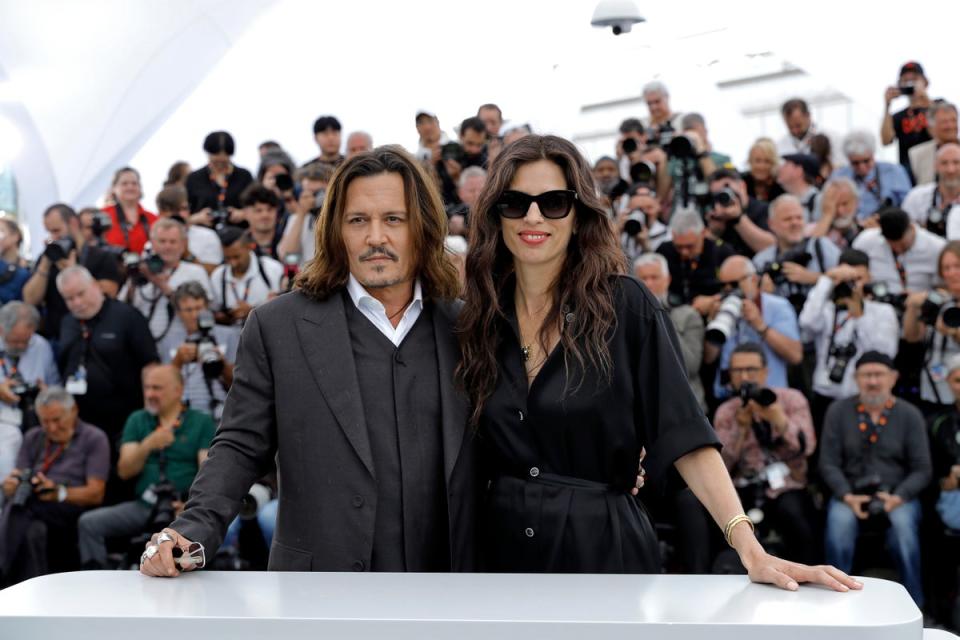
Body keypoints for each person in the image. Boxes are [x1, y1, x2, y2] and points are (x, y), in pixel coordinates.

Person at [456, 134, 856, 590]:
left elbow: (683, 431)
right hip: (500, 555)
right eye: (515, 202)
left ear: (578, 213)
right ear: (495, 213)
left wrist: (749, 547)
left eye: (553, 203)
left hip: (602, 553)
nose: (533, 216)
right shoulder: (479, 318)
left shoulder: (626, 307)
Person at [140, 146, 475, 578]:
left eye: (394, 219)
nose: (376, 237)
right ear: (335, 230)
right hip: (319, 588)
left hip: (447, 589)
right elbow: (241, 444)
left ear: (424, 228)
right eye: (358, 220)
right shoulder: (278, 326)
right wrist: (194, 527)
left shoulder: (467, 328)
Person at [820, 351, 932, 607]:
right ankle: (834, 604)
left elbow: (922, 468)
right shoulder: (838, 412)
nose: (873, 381)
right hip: (850, 493)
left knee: (904, 531)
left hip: (896, 494)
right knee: (839, 526)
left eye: (879, 375)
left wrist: (899, 496)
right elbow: (828, 463)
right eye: (866, 375)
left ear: (893, 378)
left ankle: (916, 605)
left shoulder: (909, 414)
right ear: (856, 378)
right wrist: (845, 494)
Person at [77, 365, 215, 569]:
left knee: (210, 530)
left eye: (157, 388)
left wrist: (189, 507)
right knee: (89, 523)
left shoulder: (201, 421)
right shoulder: (138, 419)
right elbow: (125, 470)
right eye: (147, 388)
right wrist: (149, 443)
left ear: (178, 390)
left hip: (182, 508)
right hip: (145, 506)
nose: (150, 394)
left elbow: (207, 474)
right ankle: (97, 581)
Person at [712, 343, 818, 564]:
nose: (744, 376)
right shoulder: (726, 411)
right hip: (742, 486)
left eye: (751, 369)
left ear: (765, 371)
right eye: (737, 371)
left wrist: (778, 419)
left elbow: (807, 447)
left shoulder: (791, 399)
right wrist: (740, 430)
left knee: (797, 517)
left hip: (787, 484)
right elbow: (720, 465)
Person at [0, 386, 109, 585]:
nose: (51, 428)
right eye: (45, 421)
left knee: (18, 509)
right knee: (31, 527)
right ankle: (32, 587)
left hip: (68, 508)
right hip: (33, 508)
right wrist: (10, 486)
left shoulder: (94, 438)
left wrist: (59, 493)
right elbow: (19, 476)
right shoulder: (34, 436)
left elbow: (96, 494)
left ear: (74, 411)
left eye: (57, 420)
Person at [798, 249, 899, 431]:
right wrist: (826, 281)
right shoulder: (827, 309)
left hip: (865, 396)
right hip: (826, 395)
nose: (854, 285)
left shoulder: (883, 311)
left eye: (859, 279)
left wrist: (858, 313)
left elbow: (885, 352)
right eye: (849, 280)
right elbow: (807, 324)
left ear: (869, 277)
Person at [57, 266, 158, 445]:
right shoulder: (67, 322)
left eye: (81, 294)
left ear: (95, 285)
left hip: (123, 420)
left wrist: (148, 414)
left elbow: (150, 365)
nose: (77, 303)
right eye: (69, 299)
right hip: (79, 422)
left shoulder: (127, 316)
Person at [22, 204, 123, 343]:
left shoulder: (101, 256)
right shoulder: (48, 258)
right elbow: (30, 299)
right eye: (50, 232)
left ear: (73, 223)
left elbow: (109, 292)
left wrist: (73, 272)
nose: (53, 237)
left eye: (57, 230)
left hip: (96, 336)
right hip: (57, 337)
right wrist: (45, 264)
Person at [705, 255, 803, 398]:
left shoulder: (778, 306)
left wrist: (760, 325)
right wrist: (713, 323)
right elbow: (709, 358)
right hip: (730, 397)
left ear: (754, 280)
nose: (728, 290)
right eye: (723, 286)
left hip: (769, 396)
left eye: (734, 285)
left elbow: (795, 356)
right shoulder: (722, 308)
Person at [121, 218, 213, 341]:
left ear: (183, 244)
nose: (167, 247)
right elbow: (123, 305)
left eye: (172, 242)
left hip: (182, 342)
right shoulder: (142, 270)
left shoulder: (195, 272)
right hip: (144, 342)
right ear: (152, 243)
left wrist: (161, 285)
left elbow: (205, 310)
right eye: (162, 241)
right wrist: (134, 279)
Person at [633, 253, 705, 410]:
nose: (649, 284)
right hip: (646, 407)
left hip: (685, 408)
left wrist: (659, 314)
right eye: (643, 279)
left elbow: (691, 366)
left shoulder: (688, 314)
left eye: (654, 277)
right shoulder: (628, 317)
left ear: (668, 280)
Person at [157, 282, 237, 420]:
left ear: (207, 307)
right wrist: (178, 361)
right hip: (183, 416)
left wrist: (221, 363)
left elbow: (240, 384)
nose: (195, 315)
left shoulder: (229, 335)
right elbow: (162, 386)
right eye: (188, 310)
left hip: (222, 414)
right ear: (178, 312)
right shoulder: (168, 341)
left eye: (199, 308)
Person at [753, 194, 841, 313]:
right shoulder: (762, 261)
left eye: (799, 218)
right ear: (771, 224)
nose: (795, 223)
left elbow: (849, 279)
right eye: (787, 219)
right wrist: (764, 296)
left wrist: (813, 278)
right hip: (782, 326)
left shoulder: (821, 246)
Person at [903, 242, 960, 413]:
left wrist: (952, 331)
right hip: (933, 389)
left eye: (957, 266)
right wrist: (913, 308)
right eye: (946, 268)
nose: (951, 273)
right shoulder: (936, 299)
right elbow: (912, 337)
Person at [656, 207, 734, 314]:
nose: (684, 252)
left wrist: (716, 299)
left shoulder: (721, 252)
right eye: (679, 246)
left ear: (703, 233)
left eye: (690, 246)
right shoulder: (665, 251)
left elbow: (739, 288)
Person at [852, 207, 946, 294]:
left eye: (902, 245)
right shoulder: (866, 240)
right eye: (892, 245)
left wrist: (924, 297)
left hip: (919, 304)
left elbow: (945, 288)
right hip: (876, 302)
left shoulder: (937, 247)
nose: (898, 249)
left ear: (911, 228)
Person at [210, 226, 283, 332]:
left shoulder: (272, 269)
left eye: (236, 257)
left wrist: (252, 311)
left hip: (268, 333)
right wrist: (226, 316)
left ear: (250, 247)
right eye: (227, 258)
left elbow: (284, 310)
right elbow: (215, 312)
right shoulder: (218, 275)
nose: (233, 263)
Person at [833, 131, 912, 220]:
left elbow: (908, 205)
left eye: (866, 161)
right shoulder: (839, 176)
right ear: (848, 160)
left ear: (873, 155)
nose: (862, 167)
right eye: (855, 163)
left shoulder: (893, 171)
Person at [703, 168, 775, 258]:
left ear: (742, 186)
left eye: (727, 191)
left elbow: (771, 248)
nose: (724, 198)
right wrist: (715, 232)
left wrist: (738, 219)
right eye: (718, 195)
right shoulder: (716, 215)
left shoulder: (764, 209)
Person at [881, 61, 932, 179]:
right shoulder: (898, 116)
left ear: (925, 82)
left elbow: (943, 123)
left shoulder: (938, 105)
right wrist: (887, 105)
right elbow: (886, 141)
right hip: (908, 171)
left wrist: (924, 98)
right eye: (905, 80)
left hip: (934, 165)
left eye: (914, 79)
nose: (910, 83)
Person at [155, 185, 223, 273]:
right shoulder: (154, 239)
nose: (180, 215)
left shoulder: (207, 236)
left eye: (184, 208)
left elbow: (215, 275)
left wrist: (187, 254)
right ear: (161, 213)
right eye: (174, 210)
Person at [185, 131, 254, 216]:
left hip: (239, 227)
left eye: (226, 155)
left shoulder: (244, 176)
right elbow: (184, 210)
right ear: (208, 152)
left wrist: (243, 214)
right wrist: (196, 218)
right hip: (201, 228)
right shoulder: (194, 179)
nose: (221, 159)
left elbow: (256, 205)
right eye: (216, 154)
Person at [277, 162, 334, 266]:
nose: (309, 198)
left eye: (316, 193)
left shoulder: (342, 217)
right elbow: (287, 256)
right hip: (308, 278)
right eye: (305, 192)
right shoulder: (297, 218)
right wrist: (301, 213)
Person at [900, 143, 960, 238]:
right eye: (944, 163)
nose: (950, 170)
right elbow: (903, 232)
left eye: (956, 163)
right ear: (935, 166)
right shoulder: (917, 197)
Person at [929, 354, 960, 531]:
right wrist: (944, 481)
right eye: (958, 380)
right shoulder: (938, 422)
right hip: (952, 495)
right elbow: (927, 469)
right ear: (948, 381)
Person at [100, 167, 157, 254]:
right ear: (114, 188)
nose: (130, 187)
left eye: (134, 183)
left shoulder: (152, 218)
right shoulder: (103, 215)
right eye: (124, 184)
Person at [909, 102, 959, 186]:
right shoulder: (917, 155)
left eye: (953, 120)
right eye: (944, 122)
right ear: (931, 128)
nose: (950, 126)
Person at [809, 178, 866, 249]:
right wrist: (827, 216)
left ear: (856, 202)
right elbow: (811, 248)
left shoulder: (865, 228)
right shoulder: (813, 229)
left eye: (845, 204)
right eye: (835, 205)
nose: (840, 211)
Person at [777, 153, 822, 222]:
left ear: (799, 171)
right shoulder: (783, 200)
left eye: (785, 165)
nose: (780, 168)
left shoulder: (818, 200)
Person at [742, 138, 785, 204]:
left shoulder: (782, 186)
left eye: (767, 161)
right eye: (757, 161)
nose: (762, 167)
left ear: (773, 163)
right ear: (750, 161)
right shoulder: (740, 183)